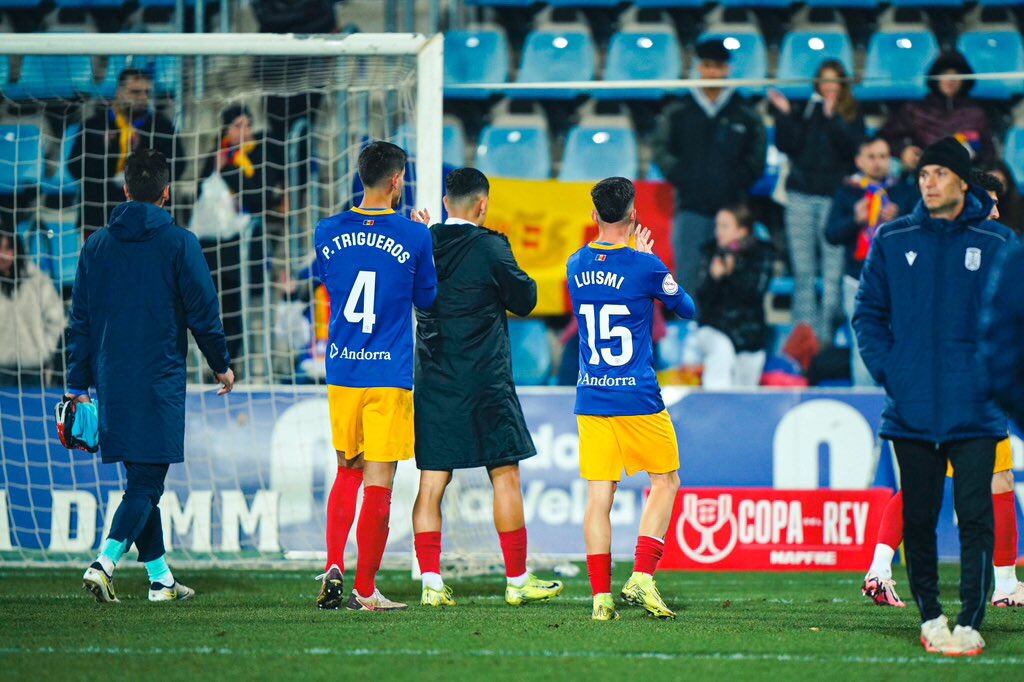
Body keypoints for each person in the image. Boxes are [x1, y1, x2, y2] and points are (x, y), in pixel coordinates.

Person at [854, 137, 1015, 655]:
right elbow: (868, 315)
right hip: (913, 407)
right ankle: (931, 616)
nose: (929, 181)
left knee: (975, 515)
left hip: (975, 408)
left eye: (940, 173)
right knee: (919, 517)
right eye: (924, 174)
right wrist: (892, 372)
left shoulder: (997, 242)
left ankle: (971, 618)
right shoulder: (892, 237)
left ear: (963, 182)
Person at [71, 150, 233, 604]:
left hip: (111, 379)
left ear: (125, 191)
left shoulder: (96, 245)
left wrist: (74, 383)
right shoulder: (179, 243)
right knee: (147, 483)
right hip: (158, 379)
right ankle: (104, 563)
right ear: (167, 193)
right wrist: (220, 362)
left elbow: (79, 320)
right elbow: (204, 312)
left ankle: (160, 579)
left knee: (139, 481)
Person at [411, 168, 564, 608]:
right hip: (486, 382)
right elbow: (526, 299)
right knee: (505, 477)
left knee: (432, 482)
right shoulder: (492, 245)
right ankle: (517, 580)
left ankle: (431, 584)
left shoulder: (422, 243)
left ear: (445, 203)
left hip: (436, 380)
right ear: (482, 205)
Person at [314, 141, 437, 612]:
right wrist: (422, 241)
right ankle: (366, 589)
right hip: (388, 372)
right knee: (379, 484)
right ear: (396, 180)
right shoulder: (413, 236)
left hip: (343, 368)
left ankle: (332, 564)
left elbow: (331, 282)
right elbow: (426, 299)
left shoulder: (327, 231)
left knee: (347, 472)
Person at [567, 177, 696, 621]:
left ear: (594, 216)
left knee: (598, 495)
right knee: (665, 482)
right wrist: (653, 261)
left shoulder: (574, 264)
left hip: (592, 397)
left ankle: (601, 599)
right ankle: (641, 577)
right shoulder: (645, 267)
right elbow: (687, 308)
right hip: (638, 398)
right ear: (634, 215)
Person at [651, 38, 766, 295]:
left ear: (727, 69)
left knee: (734, 278)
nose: (713, 72)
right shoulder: (678, 110)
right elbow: (660, 149)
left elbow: (757, 159)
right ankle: (693, 333)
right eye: (707, 65)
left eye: (718, 66)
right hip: (691, 207)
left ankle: (728, 334)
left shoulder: (745, 113)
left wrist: (736, 182)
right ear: (699, 68)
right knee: (688, 278)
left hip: (733, 211)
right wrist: (682, 176)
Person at [769, 59, 865, 342]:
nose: (828, 86)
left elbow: (853, 150)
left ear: (842, 84)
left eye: (834, 80)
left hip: (834, 202)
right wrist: (785, 116)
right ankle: (804, 341)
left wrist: (833, 117)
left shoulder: (851, 114)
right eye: (824, 80)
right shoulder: (808, 110)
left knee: (833, 275)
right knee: (803, 273)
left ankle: (825, 338)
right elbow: (789, 146)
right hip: (800, 196)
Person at [825, 136, 917, 386]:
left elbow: (921, 236)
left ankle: (897, 406)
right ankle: (866, 404)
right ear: (859, 160)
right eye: (872, 157)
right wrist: (855, 219)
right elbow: (831, 234)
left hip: (898, 282)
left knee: (899, 342)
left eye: (883, 156)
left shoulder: (905, 192)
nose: (878, 163)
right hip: (858, 281)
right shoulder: (847, 192)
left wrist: (901, 220)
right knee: (863, 345)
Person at [197, 104, 286, 364]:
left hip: (247, 243)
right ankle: (217, 361)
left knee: (241, 304)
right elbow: (201, 196)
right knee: (218, 305)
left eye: (248, 124)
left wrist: (227, 172)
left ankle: (239, 362)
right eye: (237, 126)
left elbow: (260, 195)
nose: (245, 131)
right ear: (226, 129)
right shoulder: (218, 154)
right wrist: (218, 168)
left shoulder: (261, 152)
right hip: (216, 245)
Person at [70, 69, 185, 235]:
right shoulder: (94, 125)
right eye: (135, 92)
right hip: (100, 218)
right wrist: (106, 151)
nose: (143, 97)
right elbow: (74, 169)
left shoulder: (162, 127)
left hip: (150, 220)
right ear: (119, 92)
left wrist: (143, 155)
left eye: (147, 92)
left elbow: (178, 168)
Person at [686, 204, 772, 388]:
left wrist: (732, 274)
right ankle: (716, 407)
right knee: (721, 351)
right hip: (714, 327)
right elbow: (701, 300)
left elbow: (754, 295)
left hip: (749, 333)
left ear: (742, 230)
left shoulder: (761, 254)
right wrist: (714, 279)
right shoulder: (709, 252)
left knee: (746, 391)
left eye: (725, 226)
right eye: (717, 226)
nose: (718, 232)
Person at [882, 50, 995, 174]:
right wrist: (903, 151)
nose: (951, 79)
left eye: (956, 75)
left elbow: (988, 152)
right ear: (935, 77)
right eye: (945, 73)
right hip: (924, 178)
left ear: (964, 80)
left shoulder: (975, 113)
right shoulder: (916, 109)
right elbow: (886, 137)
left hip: (965, 179)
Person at [0, 226, 65, 387]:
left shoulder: (38, 281)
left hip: (33, 369)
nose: (2, 254)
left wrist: (44, 350)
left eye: (7, 248)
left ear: (17, 250)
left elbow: (57, 320)